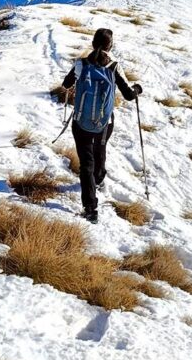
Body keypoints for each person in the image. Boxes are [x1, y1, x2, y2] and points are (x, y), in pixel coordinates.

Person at [59, 27, 142, 224]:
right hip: (105, 122)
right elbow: (129, 95)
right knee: (100, 149)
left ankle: (90, 208)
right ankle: (99, 178)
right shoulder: (114, 66)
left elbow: (66, 84)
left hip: (81, 122)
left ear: (93, 43)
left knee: (86, 162)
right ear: (110, 45)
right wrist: (138, 88)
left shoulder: (81, 64)